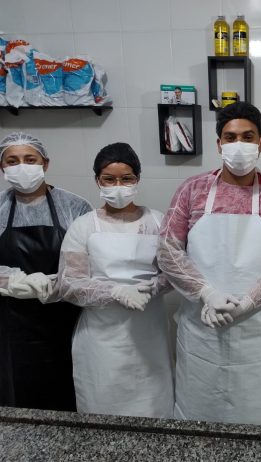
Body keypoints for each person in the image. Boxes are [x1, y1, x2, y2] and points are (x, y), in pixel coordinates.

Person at [158, 101, 261, 426]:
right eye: (230, 137)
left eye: (248, 137)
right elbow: (168, 249)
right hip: (203, 325)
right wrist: (206, 293)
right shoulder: (192, 191)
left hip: (260, 330)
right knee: (201, 412)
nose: (239, 145)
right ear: (219, 144)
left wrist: (249, 301)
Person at [56, 142, 174, 418]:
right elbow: (69, 283)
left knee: (154, 408)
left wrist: (152, 287)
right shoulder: (84, 226)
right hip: (101, 337)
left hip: (149, 333)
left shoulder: (158, 222)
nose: (118, 186)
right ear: (97, 180)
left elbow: (174, 271)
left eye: (126, 178)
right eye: (109, 179)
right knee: (102, 407)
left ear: (137, 179)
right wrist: (116, 292)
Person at [0, 131, 92, 411]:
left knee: (68, 389)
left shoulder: (75, 206)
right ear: (2, 167)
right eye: (12, 161)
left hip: (64, 315)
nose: (22, 166)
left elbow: (90, 261)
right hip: (10, 322)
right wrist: (15, 282)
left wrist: (57, 284)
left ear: (45, 164)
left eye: (30, 159)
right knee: (18, 391)